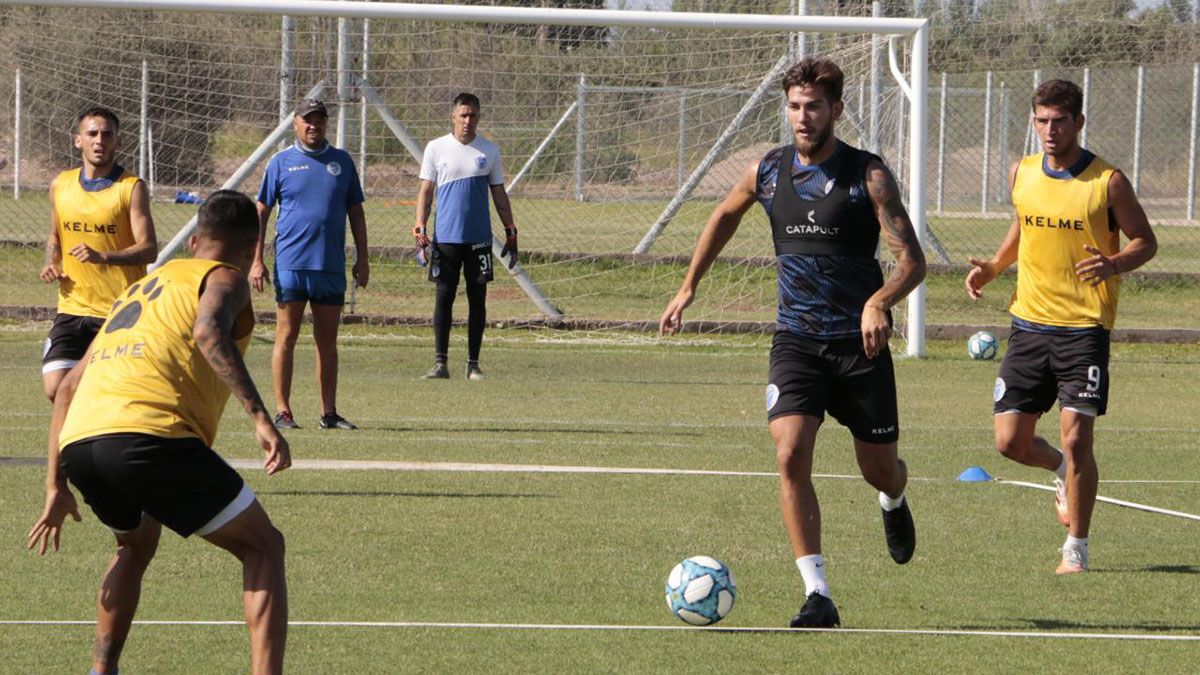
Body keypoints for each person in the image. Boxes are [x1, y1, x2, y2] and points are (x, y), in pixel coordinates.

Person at [659, 58, 925, 628]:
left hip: (859, 347)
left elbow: (912, 261)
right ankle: (817, 594)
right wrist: (688, 286)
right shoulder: (768, 170)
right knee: (789, 454)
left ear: (837, 110)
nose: (803, 117)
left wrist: (879, 302)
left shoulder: (868, 175)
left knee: (879, 469)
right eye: (795, 107)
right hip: (797, 341)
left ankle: (894, 498)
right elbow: (723, 216)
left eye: (814, 107)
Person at [28, 190, 292, 675]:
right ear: (252, 249)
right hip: (150, 437)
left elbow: (65, 390)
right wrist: (260, 417)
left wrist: (55, 486)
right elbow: (209, 331)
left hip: (82, 443)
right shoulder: (226, 277)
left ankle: (101, 670)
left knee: (134, 544)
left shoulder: (138, 290)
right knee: (263, 546)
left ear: (193, 241)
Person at [965, 79, 1157, 575]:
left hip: (1084, 328)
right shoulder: (1022, 172)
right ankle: (1059, 471)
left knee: (1077, 440)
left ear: (1078, 122)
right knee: (1009, 442)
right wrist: (994, 266)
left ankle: (1076, 547)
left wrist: (1114, 264)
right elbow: (1024, 224)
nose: (1050, 130)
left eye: (1059, 121)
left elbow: (1145, 240)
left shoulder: (1107, 182)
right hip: (1028, 324)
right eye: (1042, 121)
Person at [252, 98, 368, 430]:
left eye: (319, 120)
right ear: (296, 123)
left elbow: (356, 212)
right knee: (286, 335)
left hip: (329, 266)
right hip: (291, 265)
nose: (313, 125)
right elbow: (261, 212)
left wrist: (363, 258)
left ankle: (329, 413)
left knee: (327, 342)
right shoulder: (280, 163)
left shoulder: (342, 162)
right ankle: (283, 411)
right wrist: (256, 260)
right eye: (308, 119)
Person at [40, 106, 157, 402]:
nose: (99, 140)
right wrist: (51, 263)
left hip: (119, 310)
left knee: (112, 392)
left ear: (118, 141)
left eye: (107, 134)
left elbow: (149, 249)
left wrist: (104, 256)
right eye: (92, 133)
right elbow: (55, 235)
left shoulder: (131, 188)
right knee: (56, 388)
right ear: (78, 140)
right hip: (72, 307)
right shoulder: (60, 185)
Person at [413, 92, 518, 381]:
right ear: (453, 117)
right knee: (443, 298)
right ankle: (440, 363)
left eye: (472, 115)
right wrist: (420, 227)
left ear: (479, 117)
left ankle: (473, 364)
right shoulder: (436, 148)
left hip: (479, 239)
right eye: (463, 115)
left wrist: (510, 229)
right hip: (446, 239)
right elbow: (426, 192)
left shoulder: (489, 151)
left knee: (478, 300)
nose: (468, 120)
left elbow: (499, 194)